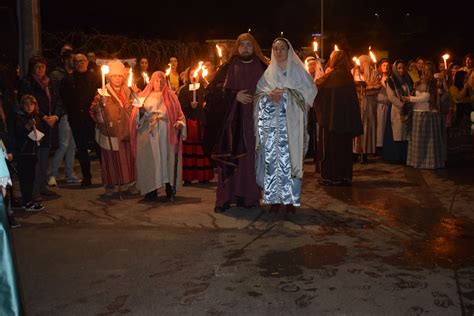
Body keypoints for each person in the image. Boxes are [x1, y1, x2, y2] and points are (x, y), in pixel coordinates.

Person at [203, 32, 268, 212]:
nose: (245, 48)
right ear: (237, 48)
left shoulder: (264, 67)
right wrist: (234, 96)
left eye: (249, 45)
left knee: (250, 161)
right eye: (242, 45)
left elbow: (274, 90)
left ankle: (249, 197)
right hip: (232, 124)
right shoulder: (227, 67)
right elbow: (211, 93)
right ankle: (225, 198)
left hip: (255, 121)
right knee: (229, 161)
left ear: (254, 47)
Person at [255, 38, 317, 213]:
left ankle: (290, 199)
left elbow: (310, 91)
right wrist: (268, 96)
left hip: (292, 126)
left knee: (291, 161)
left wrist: (286, 94)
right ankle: (274, 198)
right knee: (273, 162)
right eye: (275, 48)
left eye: (282, 48)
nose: (279, 52)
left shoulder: (298, 71)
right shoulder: (268, 73)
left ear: (288, 51)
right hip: (273, 127)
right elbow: (258, 94)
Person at [130, 71, 186, 201]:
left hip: (167, 133)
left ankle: (169, 188)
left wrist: (179, 123)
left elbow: (180, 115)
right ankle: (151, 190)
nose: (159, 83)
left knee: (167, 160)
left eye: (161, 81)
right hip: (148, 133)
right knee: (149, 161)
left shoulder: (172, 97)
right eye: (156, 80)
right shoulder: (143, 96)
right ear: (151, 81)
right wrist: (141, 113)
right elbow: (135, 117)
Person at [315, 50, 363, 186]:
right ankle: (345, 176)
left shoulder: (331, 75)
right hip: (346, 122)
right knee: (345, 150)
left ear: (335, 60)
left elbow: (317, 90)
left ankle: (332, 177)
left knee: (332, 150)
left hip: (332, 121)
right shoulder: (348, 75)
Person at [89, 60, 135, 197]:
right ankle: (110, 185)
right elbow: (92, 111)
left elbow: (136, 107)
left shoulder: (129, 90)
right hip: (111, 131)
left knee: (128, 159)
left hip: (126, 131)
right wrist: (100, 106)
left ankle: (129, 184)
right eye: (114, 76)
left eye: (120, 76)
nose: (117, 79)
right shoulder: (102, 92)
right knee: (110, 160)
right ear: (109, 77)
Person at [18, 55, 60, 199]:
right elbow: (29, 103)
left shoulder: (50, 82)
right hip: (37, 122)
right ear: (32, 68)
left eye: (42, 66)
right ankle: (34, 191)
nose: (40, 69)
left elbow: (56, 100)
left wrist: (55, 116)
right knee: (36, 159)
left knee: (44, 158)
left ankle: (43, 186)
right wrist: (43, 117)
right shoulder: (27, 82)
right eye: (37, 67)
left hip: (49, 123)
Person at [60, 53, 101, 187]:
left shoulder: (95, 77)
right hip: (77, 119)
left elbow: (101, 93)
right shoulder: (68, 80)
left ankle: (106, 176)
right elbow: (65, 99)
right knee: (82, 149)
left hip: (93, 119)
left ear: (87, 62)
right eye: (77, 61)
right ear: (74, 63)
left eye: (82, 61)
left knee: (99, 147)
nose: (80, 63)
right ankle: (87, 178)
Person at [48, 50, 80, 186]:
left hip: (74, 113)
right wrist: (57, 113)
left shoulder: (75, 75)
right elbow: (57, 97)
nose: (76, 62)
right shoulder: (57, 75)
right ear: (66, 60)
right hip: (63, 113)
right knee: (64, 144)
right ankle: (52, 174)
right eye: (73, 59)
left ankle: (69, 173)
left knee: (72, 145)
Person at [405, 62, 445, 169]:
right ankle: (418, 162)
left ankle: (428, 163)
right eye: (424, 69)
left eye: (429, 70)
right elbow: (419, 94)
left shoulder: (431, 81)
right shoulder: (420, 82)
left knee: (427, 142)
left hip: (427, 113)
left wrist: (411, 99)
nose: (426, 72)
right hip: (418, 112)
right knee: (419, 141)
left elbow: (426, 97)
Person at [178, 68, 213, 185]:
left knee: (202, 149)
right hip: (190, 122)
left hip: (201, 122)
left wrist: (206, 104)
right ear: (187, 76)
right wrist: (189, 106)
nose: (194, 76)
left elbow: (211, 102)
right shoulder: (184, 91)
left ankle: (204, 176)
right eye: (191, 74)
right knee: (189, 149)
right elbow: (181, 106)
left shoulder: (204, 89)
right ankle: (188, 177)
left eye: (196, 74)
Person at [14, 95, 45, 211]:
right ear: (22, 105)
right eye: (26, 104)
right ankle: (27, 201)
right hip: (23, 152)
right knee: (25, 178)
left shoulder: (35, 117)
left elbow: (41, 130)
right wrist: (27, 127)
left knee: (31, 177)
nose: (29, 106)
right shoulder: (19, 117)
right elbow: (18, 134)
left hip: (33, 152)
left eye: (31, 104)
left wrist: (40, 137)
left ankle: (28, 199)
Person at [352, 55, 381, 163]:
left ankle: (365, 152)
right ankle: (354, 152)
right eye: (360, 62)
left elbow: (377, 87)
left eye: (364, 62)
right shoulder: (354, 72)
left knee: (367, 128)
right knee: (355, 127)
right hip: (357, 104)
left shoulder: (374, 73)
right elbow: (352, 86)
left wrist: (366, 89)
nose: (362, 65)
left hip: (368, 105)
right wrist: (360, 89)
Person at [384, 60, 412, 164]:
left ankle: (405, 156)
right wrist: (401, 104)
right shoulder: (391, 81)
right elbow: (391, 97)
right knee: (397, 133)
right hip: (396, 109)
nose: (401, 70)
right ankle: (396, 156)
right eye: (399, 68)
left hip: (406, 109)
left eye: (403, 68)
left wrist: (408, 102)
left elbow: (410, 92)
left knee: (405, 133)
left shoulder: (407, 80)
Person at [376, 59, 391, 152]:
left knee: (383, 126)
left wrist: (383, 84)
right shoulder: (377, 77)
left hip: (385, 104)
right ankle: (376, 146)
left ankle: (381, 146)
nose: (385, 67)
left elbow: (389, 91)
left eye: (387, 65)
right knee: (377, 126)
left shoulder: (390, 78)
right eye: (383, 65)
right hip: (376, 105)